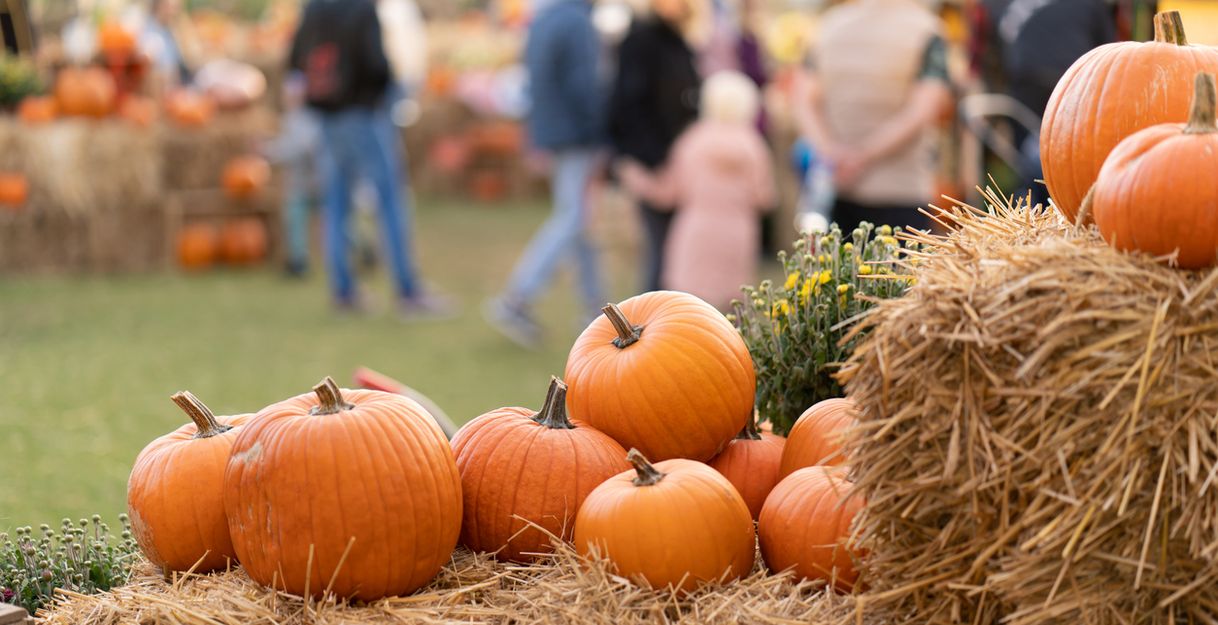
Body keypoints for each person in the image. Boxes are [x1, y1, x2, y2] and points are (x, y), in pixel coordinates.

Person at [289, 0, 448, 315]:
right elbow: (376, 65)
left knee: (336, 203)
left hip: (328, 116)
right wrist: (389, 93)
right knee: (389, 200)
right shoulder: (361, 8)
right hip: (364, 114)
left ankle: (343, 290)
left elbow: (295, 60)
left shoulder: (315, 7)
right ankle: (407, 289)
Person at [483, 0, 606, 346]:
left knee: (580, 220)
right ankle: (517, 298)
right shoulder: (576, 22)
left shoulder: (543, 19)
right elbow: (583, 85)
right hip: (577, 134)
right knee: (573, 217)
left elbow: (533, 82)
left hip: (555, 132)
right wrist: (601, 131)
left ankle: (596, 308)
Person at [618, 71, 774, 310]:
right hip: (737, 232)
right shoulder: (752, 145)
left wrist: (636, 177)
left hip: (697, 229)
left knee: (687, 310)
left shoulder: (694, 140)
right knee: (733, 311)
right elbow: (764, 198)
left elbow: (668, 193)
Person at [793, 0, 951, 233]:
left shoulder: (829, 26)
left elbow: (802, 99)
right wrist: (863, 155)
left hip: (837, 185)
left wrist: (830, 152)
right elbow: (925, 108)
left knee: (838, 256)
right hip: (901, 189)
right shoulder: (926, 29)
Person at [976, 0, 1115, 207]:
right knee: (1065, 164)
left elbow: (988, 57)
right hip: (1074, 86)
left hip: (1036, 87)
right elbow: (1109, 53)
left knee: (1032, 164)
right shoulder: (1091, 5)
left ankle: (1036, 205)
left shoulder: (996, 5)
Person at [608, 0, 706, 293]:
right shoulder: (643, 40)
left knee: (677, 254)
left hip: (678, 159)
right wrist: (655, 161)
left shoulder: (676, 40)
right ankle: (655, 318)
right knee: (662, 252)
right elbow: (630, 106)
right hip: (655, 163)